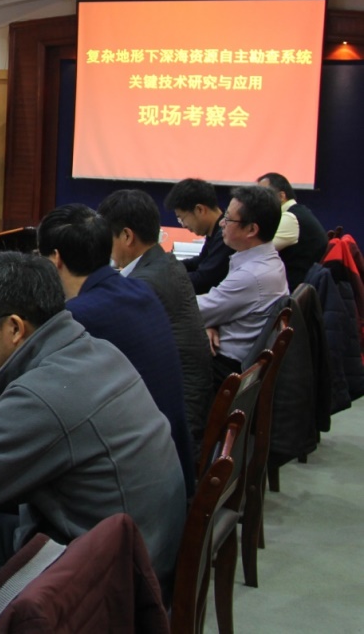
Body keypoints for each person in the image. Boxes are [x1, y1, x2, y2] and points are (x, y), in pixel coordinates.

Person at [0, 251, 186, 598]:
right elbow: (8, 415)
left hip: (107, 587)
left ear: (14, 327)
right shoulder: (94, 352)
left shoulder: (41, 398)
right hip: (140, 550)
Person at [37, 203, 194, 493]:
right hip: (171, 468)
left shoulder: (80, 316)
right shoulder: (139, 290)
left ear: (55, 258)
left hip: (133, 485)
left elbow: (32, 391)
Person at [97, 189, 215, 456]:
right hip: (186, 397)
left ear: (127, 236)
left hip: (172, 418)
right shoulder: (166, 262)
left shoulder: (143, 285)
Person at [198, 185, 289, 387]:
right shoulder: (268, 260)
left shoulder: (251, 275)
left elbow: (193, 312)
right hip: (237, 358)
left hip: (225, 370)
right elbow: (212, 309)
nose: (221, 223)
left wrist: (209, 319)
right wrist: (211, 321)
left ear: (251, 230)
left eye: (228, 219)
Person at [257, 172, 329, 290]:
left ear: (281, 196)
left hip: (293, 289)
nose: (257, 201)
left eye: (263, 195)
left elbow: (258, 251)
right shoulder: (297, 212)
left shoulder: (290, 218)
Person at [164, 178, 234, 294]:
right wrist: (168, 266)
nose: (184, 225)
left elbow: (203, 280)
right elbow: (201, 261)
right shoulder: (214, 232)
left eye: (182, 218)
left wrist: (161, 280)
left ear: (200, 210)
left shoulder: (225, 236)